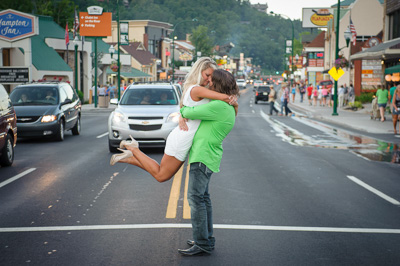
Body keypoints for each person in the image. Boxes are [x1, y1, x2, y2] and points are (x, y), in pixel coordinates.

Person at [110, 57, 238, 182]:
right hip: (183, 138)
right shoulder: (197, 89)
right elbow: (224, 98)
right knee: (161, 175)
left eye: (212, 77)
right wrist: (231, 99)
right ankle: (133, 148)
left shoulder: (200, 90)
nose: (210, 79)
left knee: (162, 173)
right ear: (199, 72)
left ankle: (131, 157)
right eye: (207, 75)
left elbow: (191, 108)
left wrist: (183, 115)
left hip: (185, 136)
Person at [177, 69, 238, 255]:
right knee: (203, 199)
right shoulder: (226, 106)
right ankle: (206, 239)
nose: (209, 82)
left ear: (218, 84)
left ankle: (202, 242)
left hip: (202, 157)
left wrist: (182, 113)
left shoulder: (219, 106)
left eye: (212, 80)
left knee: (196, 200)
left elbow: (188, 110)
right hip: (208, 156)